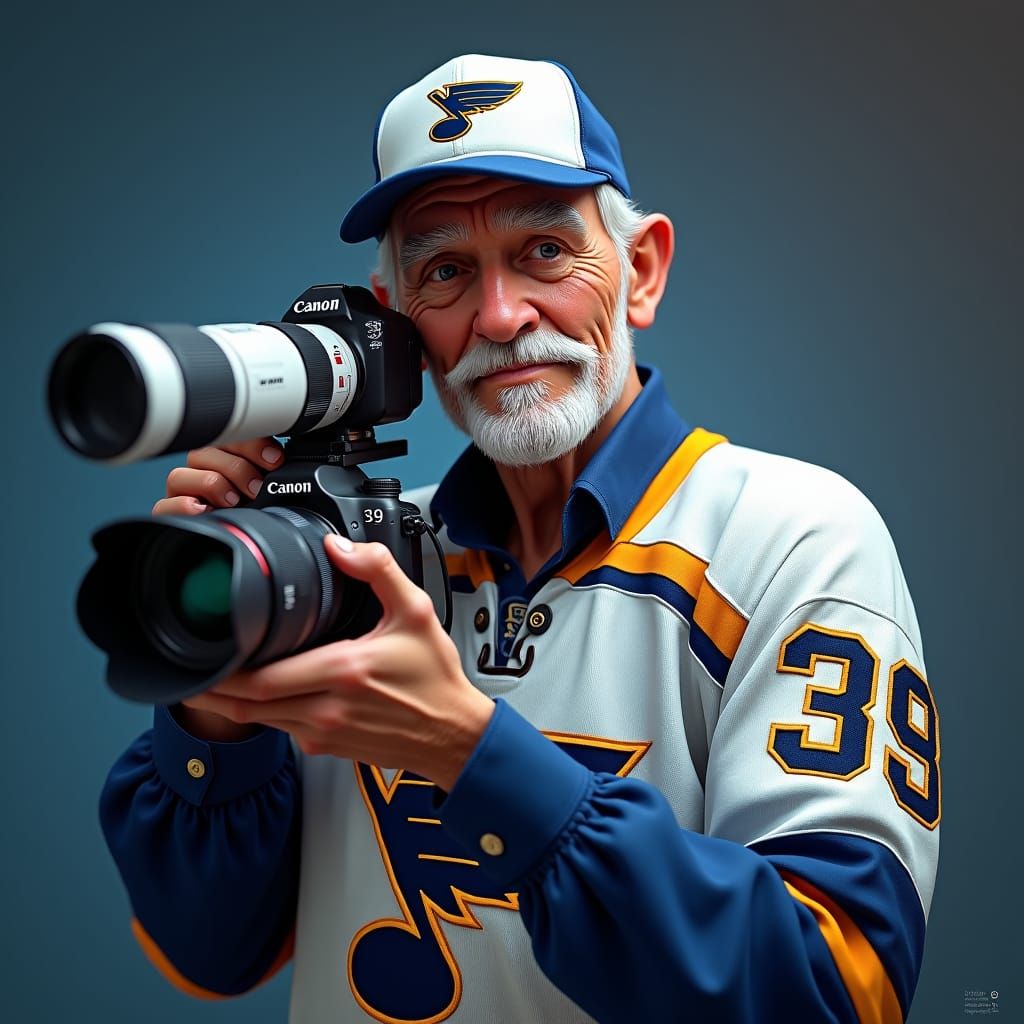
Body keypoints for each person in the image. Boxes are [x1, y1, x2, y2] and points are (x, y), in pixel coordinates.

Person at [100, 54, 940, 1024]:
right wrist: (216, 699)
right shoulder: (342, 561)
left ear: (641, 270)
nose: (500, 317)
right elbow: (206, 952)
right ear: (400, 323)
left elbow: (835, 987)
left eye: (543, 250)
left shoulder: (791, 536)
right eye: (446, 269)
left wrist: (468, 749)